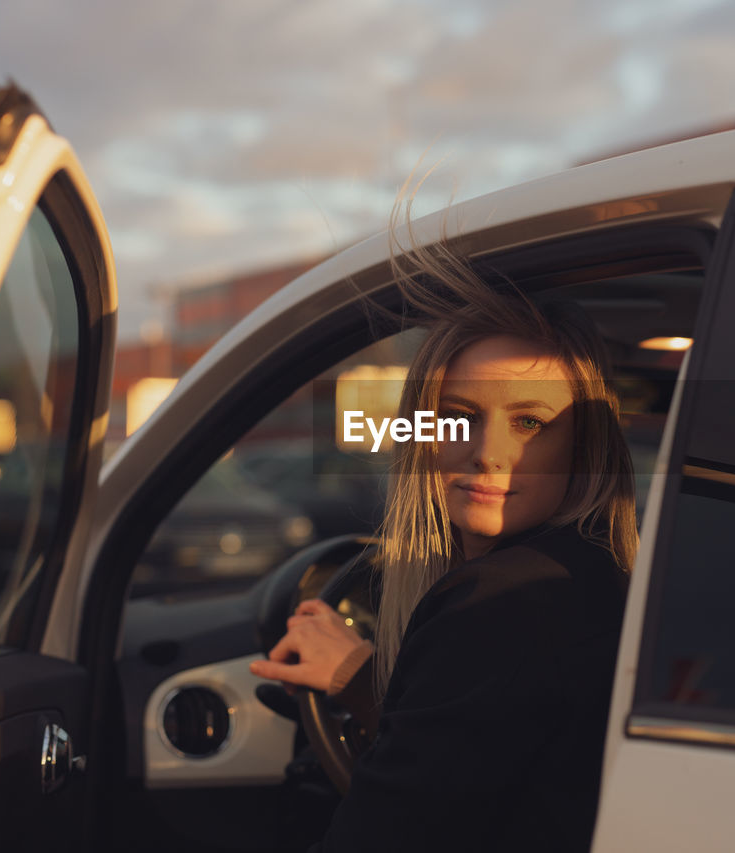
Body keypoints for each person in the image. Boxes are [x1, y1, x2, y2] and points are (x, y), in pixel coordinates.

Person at [249, 236, 637, 852]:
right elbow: (480, 757)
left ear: (584, 445)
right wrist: (360, 678)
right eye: (459, 416)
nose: (488, 454)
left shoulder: (504, 599)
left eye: (530, 423)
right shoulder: (585, 576)